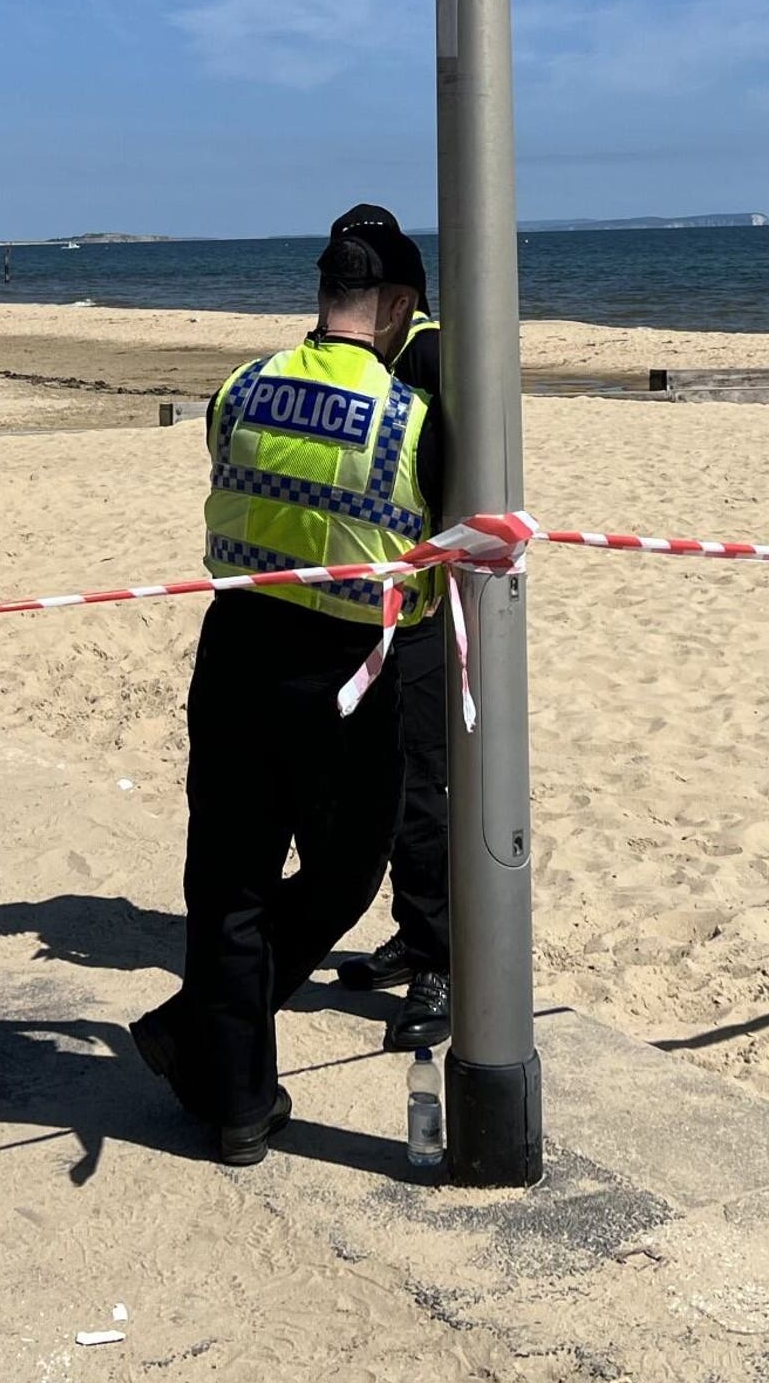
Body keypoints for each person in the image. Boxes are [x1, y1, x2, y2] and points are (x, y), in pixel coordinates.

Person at [132, 205, 443, 1164]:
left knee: (228, 882)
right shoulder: (410, 415)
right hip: (349, 672)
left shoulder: (240, 385)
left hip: (234, 653)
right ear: (395, 306)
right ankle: (211, 1049)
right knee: (348, 871)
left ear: (321, 295)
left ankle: (233, 1102)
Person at [333, 305, 453, 1052]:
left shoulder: (430, 357)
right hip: (370, 611)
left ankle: (439, 963)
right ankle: (413, 935)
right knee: (384, 780)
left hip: (424, 613)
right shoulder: (374, 360)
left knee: (422, 790)